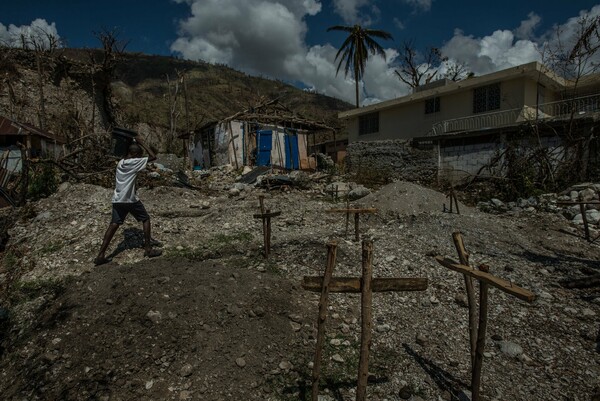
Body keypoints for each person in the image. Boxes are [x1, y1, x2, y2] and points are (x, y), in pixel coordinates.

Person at [94, 138, 162, 266]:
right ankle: (148, 249)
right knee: (145, 219)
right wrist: (142, 143)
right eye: (139, 154)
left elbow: (127, 153)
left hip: (118, 199)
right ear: (136, 155)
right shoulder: (134, 162)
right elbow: (153, 157)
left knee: (114, 224)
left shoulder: (121, 162)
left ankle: (101, 255)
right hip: (130, 199)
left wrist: (131, 142)